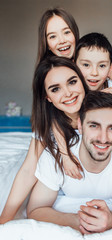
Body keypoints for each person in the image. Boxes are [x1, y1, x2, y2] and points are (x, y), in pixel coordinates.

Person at [0, 7, 80, 224]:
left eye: (66, 32)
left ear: (75, 33)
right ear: (46, 43)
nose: (62, 41)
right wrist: (4, 221)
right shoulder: (46, 75)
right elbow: (31, 161)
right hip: (57, 154)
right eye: (52, 36)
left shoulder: (91, 69)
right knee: (36, 159)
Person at [27, 91, 112, 234]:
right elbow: (35, 210)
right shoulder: (55, 155)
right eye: (94, 126)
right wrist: (77, 221)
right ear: (80, 126)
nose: (103, 138)